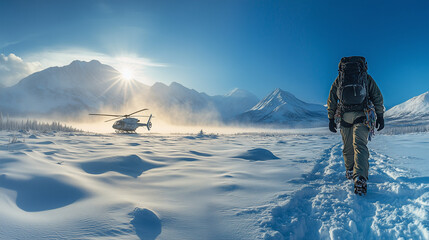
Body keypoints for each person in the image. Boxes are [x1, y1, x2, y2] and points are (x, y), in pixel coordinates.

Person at [327, 56, 384, 195]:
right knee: (360, 146)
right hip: (363, 115)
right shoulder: (365, 78)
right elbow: (377, 96)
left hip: (344, 116)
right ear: (363, 66)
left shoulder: (340, 79)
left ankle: (350, 170)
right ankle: (360, 177)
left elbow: (332, 99)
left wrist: (330, 118)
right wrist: (380, 116)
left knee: (347, 147)